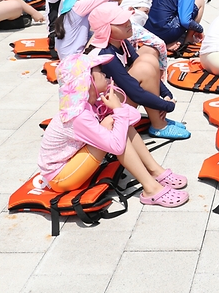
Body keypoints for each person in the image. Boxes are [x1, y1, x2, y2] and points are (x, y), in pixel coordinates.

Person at [36, 51, 188, 207]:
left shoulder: (89, 104)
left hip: (72, 163)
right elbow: (116, 146)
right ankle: (151, 189)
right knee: (113, 124)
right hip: (60, 177)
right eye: (100, 72)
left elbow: (134, 117)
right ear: (88, 82)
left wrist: (117, 107)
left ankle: (155, 170)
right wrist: (118, 112)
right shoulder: (79, 116)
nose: (105, 74)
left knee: (116, 122)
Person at [86, 3, 189, 140]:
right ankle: (158, 125)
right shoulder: (105, 54)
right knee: (144, 68)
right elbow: (135, 92)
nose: (128, 23)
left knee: (148, 57)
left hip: (117, 95)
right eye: (121, 22)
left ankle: (157, 118)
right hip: (104, 110)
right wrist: (167, 106)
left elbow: (138, 66)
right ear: (106, 29)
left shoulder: (121, 42)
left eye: (127, 19)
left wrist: (166, 94)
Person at [144, 0, 216, 49]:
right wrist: (199, 29)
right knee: (200, 0)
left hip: (148, 28)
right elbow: (185, 21)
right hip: (162, 32)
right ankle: (188, 39)